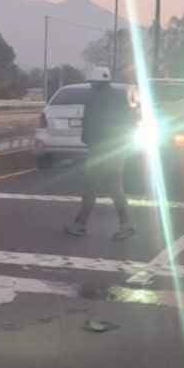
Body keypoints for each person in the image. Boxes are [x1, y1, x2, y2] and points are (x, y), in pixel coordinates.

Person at [65, 66, 136, 240]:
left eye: (92, 82)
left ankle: (80, 225)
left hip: (99, 149)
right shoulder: (120, 98)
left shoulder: (93, 99)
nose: (91, 85)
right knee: (114, 187)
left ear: (96, 82)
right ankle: (125, 224)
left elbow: (89, 125)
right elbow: (130, 122)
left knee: (92, 187)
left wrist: (88, 141)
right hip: (118, 148)